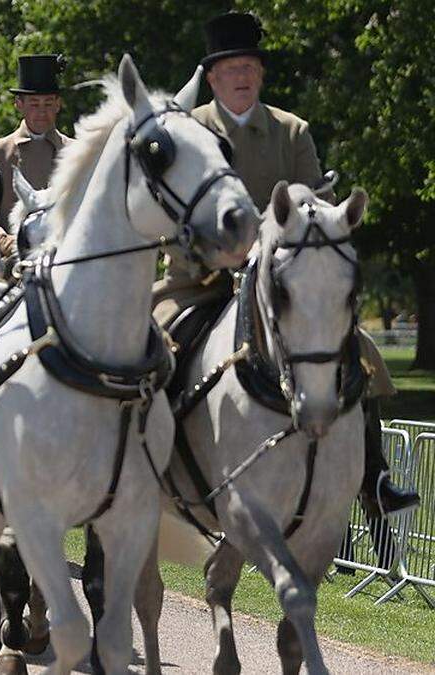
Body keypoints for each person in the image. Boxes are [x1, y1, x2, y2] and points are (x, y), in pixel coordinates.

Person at [157, 11, 418, 517]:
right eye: (232, 68)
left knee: (357, 350)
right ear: (211, 78)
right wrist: (221, 255)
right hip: (201, 281)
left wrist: (279, 255)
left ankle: (374, 477)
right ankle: (136, 471)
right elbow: (169, 215)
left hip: (282, 284)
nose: (244, 76)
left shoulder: (292, 131)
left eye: (251, 67)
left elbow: (315, 204)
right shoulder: (186, 132)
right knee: (150, 347)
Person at [0, 54, 73, 258]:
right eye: (34, 104)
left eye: (48, 103)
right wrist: (5, 242)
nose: (42, 111)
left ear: (58, 104)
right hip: (9, 265)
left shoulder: (77, 153)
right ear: (19, 104)